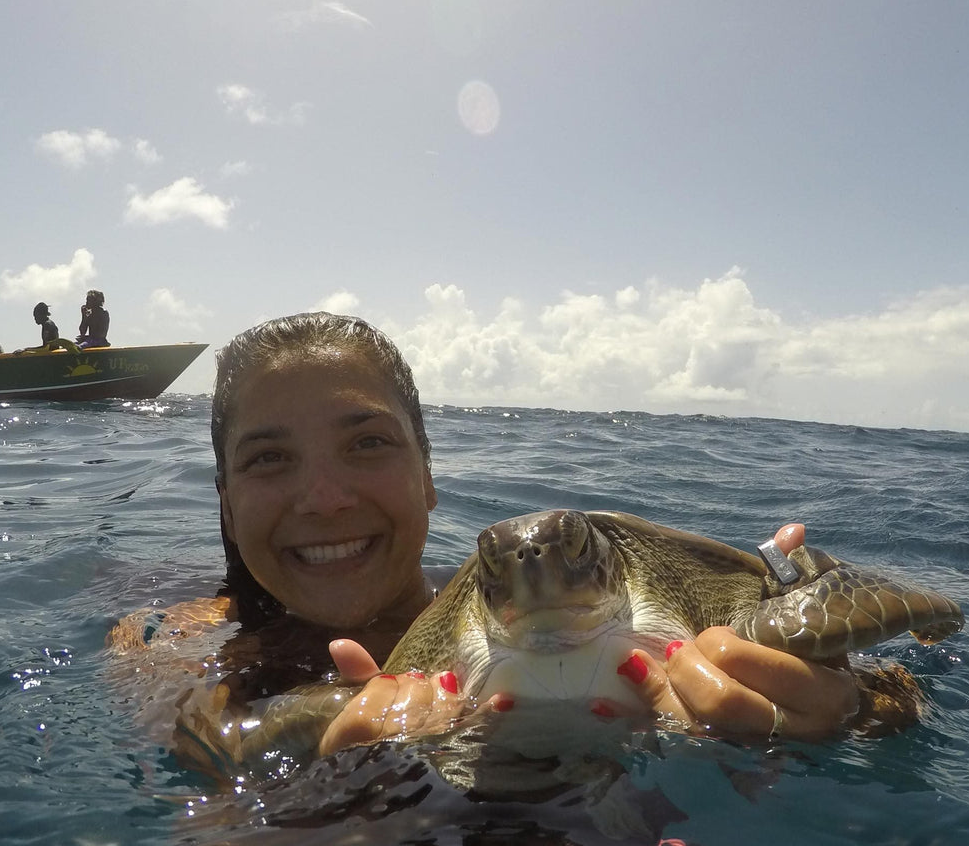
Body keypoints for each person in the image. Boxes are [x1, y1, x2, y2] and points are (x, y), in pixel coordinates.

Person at [109, 312, 858, 775]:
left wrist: (844, 702)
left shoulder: (563, 612)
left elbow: (891, 693)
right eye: (269, 458)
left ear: (429, 477)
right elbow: (203, 837)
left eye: (367, 442)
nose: (326, 497)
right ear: (227, 506)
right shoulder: (164, 645)